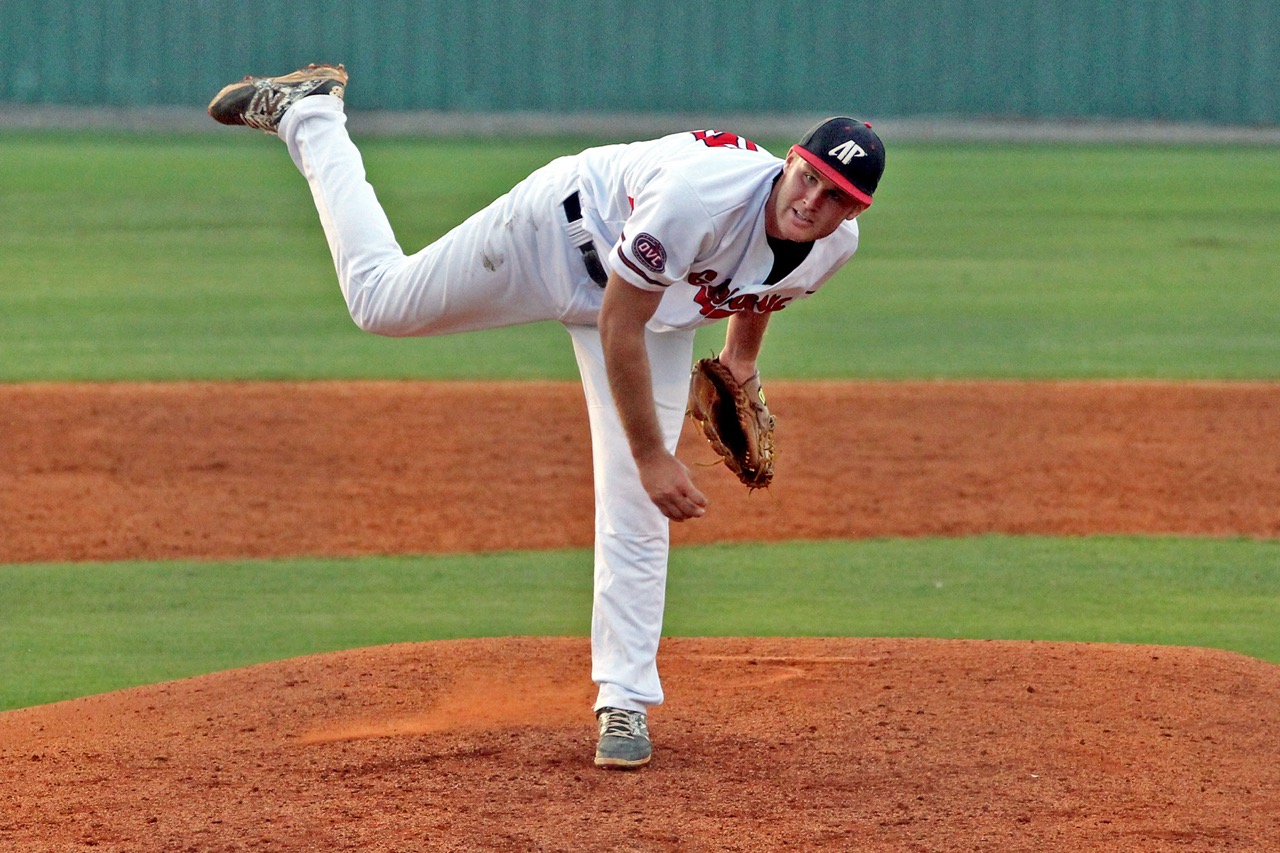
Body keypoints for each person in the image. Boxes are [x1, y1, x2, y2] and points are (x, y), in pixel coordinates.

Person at [208, 63, 885, 769]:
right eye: (807, 175)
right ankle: (311, 117)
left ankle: (623, 702)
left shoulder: (833, 248)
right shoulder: (700, 198)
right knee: (381, 302)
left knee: (639, 508)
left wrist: (739, 366)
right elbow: (618, 320)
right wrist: (653, 454)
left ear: (854, 211)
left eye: (834, 195)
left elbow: (761, 287)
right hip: (558, 238)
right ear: (790, 162)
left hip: (655, 312)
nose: (811, 199)